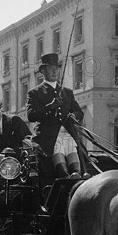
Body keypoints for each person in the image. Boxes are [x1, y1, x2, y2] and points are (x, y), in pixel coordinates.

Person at [27, 52, 85, 180]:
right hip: (47, 135)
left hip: (68, 132)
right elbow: (31, 115)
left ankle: (76, 174)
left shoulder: (67, 92)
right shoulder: (35, 93)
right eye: (50, 69)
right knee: (57, 146)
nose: (54, 72)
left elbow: (79, 112)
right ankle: (63, 174)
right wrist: (50, 106)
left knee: (71, 146)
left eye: (56, 69)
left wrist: (73, 115)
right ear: (43, 71)